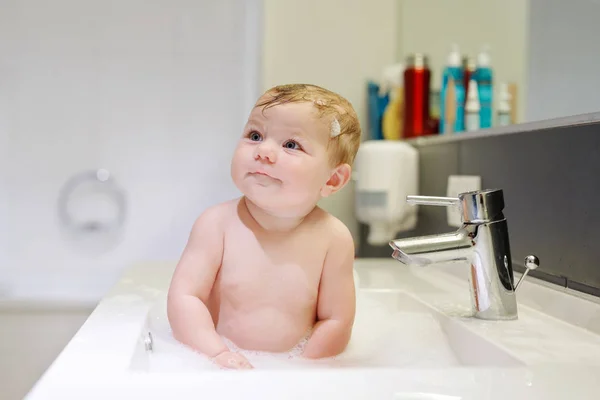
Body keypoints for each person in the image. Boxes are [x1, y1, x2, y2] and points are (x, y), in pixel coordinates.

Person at [167, 83, 362, 369]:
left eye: (291, 144)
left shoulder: (333, 239)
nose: (264, 151)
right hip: (217, 366)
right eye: (255, 135)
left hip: (293, 370)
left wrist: (305, 369)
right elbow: (185, 298)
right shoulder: (217, 224)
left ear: (332, 180)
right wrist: (217, 354)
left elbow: (336, 320)